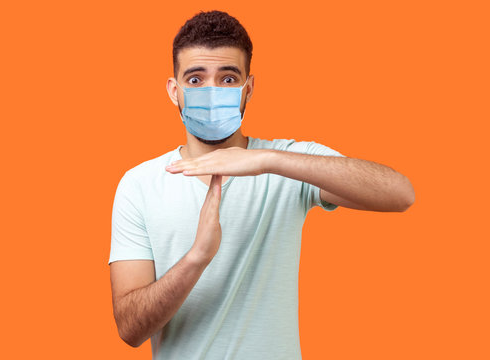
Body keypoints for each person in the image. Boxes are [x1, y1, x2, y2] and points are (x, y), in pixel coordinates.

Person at [108, 10, 415, 359]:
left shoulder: (289, 162)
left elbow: (400, 193)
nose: (212, 91)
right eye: (195, 80)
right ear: (173, 90)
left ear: (248, 89)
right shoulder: (139, 184)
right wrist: (196, 258)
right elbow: (129, 328)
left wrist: (267, 160)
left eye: (227, 79)